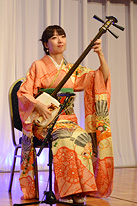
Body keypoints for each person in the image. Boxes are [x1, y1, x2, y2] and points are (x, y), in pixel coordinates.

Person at [17, 25, 113, 204]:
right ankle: (66, 191)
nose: (59, 40)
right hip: (46, 123)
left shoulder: (72, 69)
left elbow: (101, 78)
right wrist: (38, 104)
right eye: (54, 38)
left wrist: (100, 54)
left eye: (62, 36)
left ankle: (80, 191)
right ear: (46, 44)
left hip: (69, 120)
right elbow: (23, 93)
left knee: (83, 137)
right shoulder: (38, 66)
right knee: (65, 138)